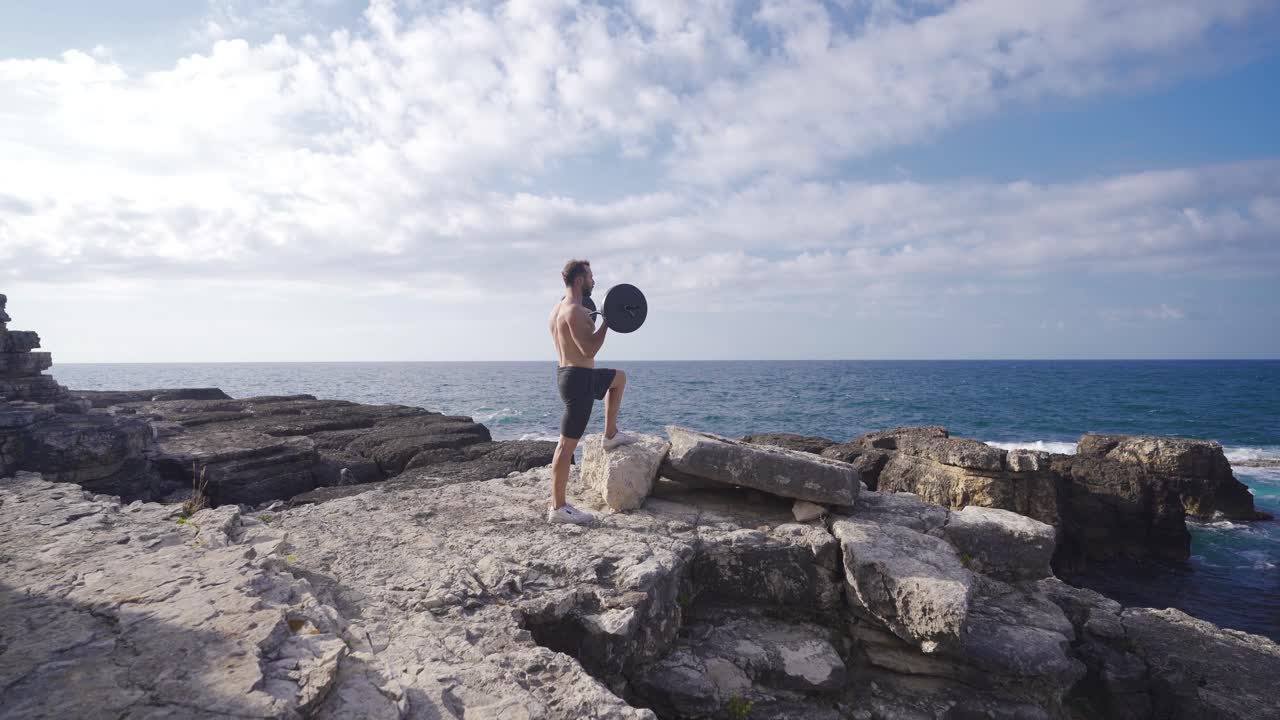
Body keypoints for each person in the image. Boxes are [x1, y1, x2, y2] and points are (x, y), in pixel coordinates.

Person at [547, 259, 637, 525]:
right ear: (579, 280)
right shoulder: (573, 311)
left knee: (619, 378)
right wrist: (607, 322)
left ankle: (610, 433)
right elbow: (589, 350)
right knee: (565, 447)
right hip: (579, 379)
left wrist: (593, 321)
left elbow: (574, 341)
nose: (594, 281)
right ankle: (558, 507)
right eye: (590, 276)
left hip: (571, 374)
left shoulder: (558, 309)